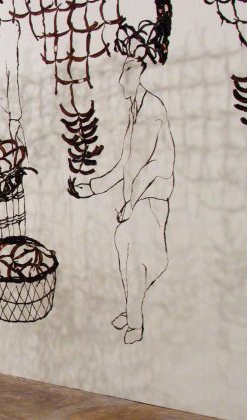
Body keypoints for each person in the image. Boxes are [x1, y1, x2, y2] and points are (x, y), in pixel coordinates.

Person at [71, 57, 175, 344]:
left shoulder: (152, 110)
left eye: (126, 74)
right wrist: (92, 187)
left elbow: (155, 166)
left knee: (143, 261)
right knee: (127, 255)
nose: (120, 82)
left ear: (138, 74)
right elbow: (125, 164)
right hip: (136, 199)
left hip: (150, 198)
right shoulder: (135, 109)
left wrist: (131, 203)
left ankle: (135, 322)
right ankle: (132, 311)